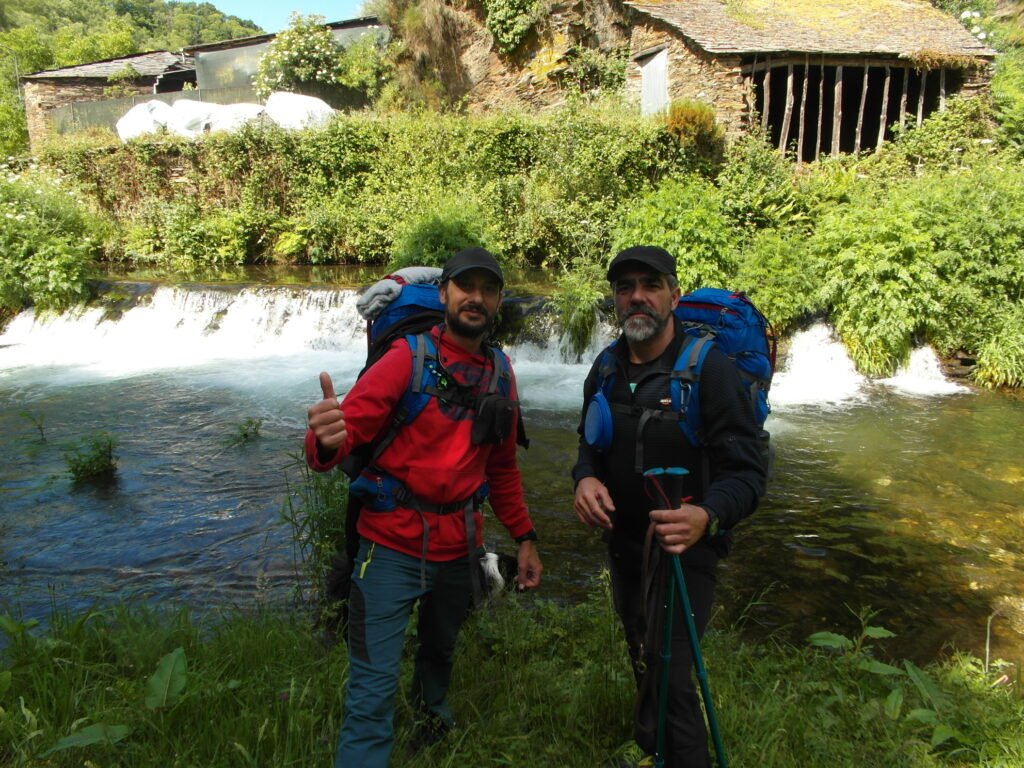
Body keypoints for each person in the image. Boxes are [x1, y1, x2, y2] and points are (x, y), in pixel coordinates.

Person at [305, 247, 543, 768]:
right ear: (444, 294)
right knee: (371, 689)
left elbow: (501, 468)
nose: (475, 297)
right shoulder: (405, 359)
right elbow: (343, 441)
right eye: (465, 286)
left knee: (440, 655)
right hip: (388, 549)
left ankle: (433, 729)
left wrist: (525, 538)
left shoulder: (501, 373)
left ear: (498, 301)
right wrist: (324, 439)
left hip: (460, 549)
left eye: (487, 289)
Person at [572, 246, 766, 768]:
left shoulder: (710, 371)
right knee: (642, 652)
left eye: (650, 284)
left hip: (685, 553)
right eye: (625, 286)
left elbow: (748, 471)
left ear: (674, 296)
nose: (637, 296)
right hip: (625, 547)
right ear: (615, 299)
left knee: (673, 675)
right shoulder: (607, 367)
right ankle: (652, 749)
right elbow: (589, 444)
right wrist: (585, 478)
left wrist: (706, 516)